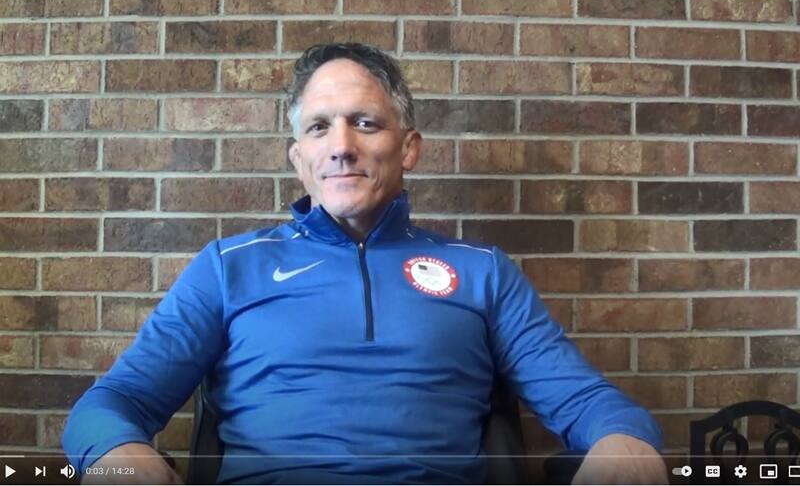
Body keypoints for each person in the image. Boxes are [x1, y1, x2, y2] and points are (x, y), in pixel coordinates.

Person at [63, 43, 668, 485]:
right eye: (320, 127)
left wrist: (626, 439)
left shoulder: (483, 270)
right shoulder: (228, 267)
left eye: (365, 123)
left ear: (408, 149)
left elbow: (590, 402)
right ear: (299, 158)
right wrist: (115, 453)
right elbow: (110, 403)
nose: (342, 145)